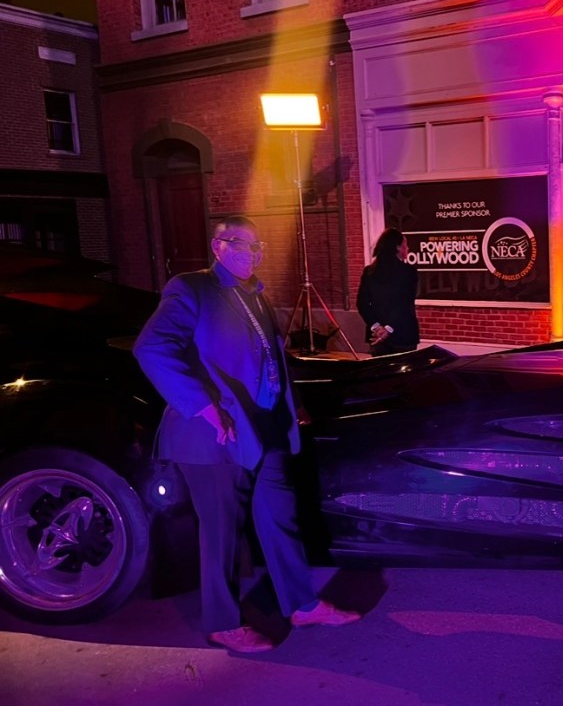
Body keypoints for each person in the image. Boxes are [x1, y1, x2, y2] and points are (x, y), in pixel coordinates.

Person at [134, 216, 361, 654]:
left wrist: (291, 403)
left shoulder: (255, 295)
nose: (253, 254)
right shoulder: (192, 288)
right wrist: (203, 406)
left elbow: (269, 357)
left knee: (280, 516)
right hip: (214, 436)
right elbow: (152, 347)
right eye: (243, 245)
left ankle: (302, 603)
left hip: (265, 427)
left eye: (258, 247)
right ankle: (222, 622)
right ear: (218, 246)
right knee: (221, 531)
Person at [357, 227, 420, 356]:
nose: (407, 248)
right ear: (398, 247)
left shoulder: (369, 271)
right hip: (403, 333)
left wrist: (377, 327)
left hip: (377, 336)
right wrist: (388, 329)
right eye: (405, 245)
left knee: (381, 374)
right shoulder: (408, 271)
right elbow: (404, 304)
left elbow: (362, 304)